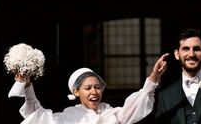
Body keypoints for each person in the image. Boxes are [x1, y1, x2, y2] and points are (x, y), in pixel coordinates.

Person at [9, 52, 169, 123]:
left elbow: (138, 102)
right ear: (76, 92)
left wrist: (154, 76)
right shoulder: (68, 118)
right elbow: (36, 116)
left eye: (97, 87)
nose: (94, 92)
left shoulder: (112, 114)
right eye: (88, 88)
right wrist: (28, 85)